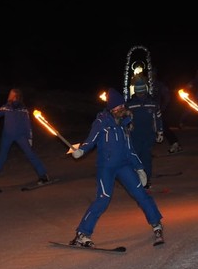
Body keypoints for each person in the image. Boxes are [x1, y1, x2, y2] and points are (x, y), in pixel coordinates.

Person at [68, 88, 164, 247]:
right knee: (103, 198)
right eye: (117, 107)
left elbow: (129, 149)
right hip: (106, 167)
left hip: (124, 165)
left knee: (141, 193)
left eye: (122, 106)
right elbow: (90, 141)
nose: (120, 110)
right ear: (111, 108)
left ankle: (157, 224)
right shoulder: (101, 122)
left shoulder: (125, 123)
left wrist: (139, 168)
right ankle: (82, 234)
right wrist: (80, 151)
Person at [0, 88, 50, 190]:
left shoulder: (23, 109)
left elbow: (27, 124)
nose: (9, 95)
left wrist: (29, 137)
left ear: (16, 96)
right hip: (7, 136)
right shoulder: (6, 107)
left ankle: (43, 176)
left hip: (21, 136)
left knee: (30, 154)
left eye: (11, 94)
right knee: (1, 157)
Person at [126, 78, 164, 189]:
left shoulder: (152, 103)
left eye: (142, 92)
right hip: (135, 135)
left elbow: (158, 118)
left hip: (148, 135)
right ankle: (136, 179)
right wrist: (127, 129)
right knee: (135, 157)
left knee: (146, 157)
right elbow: (125, 119)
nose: (141, 94)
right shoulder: (130, 104)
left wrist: (160, 132)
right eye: (139, 92)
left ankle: (146, 180)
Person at [150, 67, 182, 153]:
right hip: (149, 111)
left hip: (159, 110)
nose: (151, 76)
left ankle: (175, 143)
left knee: (164, 127)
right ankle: (147, 149)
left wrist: (162, 107)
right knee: (150, 129)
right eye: (150, 74)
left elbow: (167, 96)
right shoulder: (147, 85)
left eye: (153, 74)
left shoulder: (159, 85)